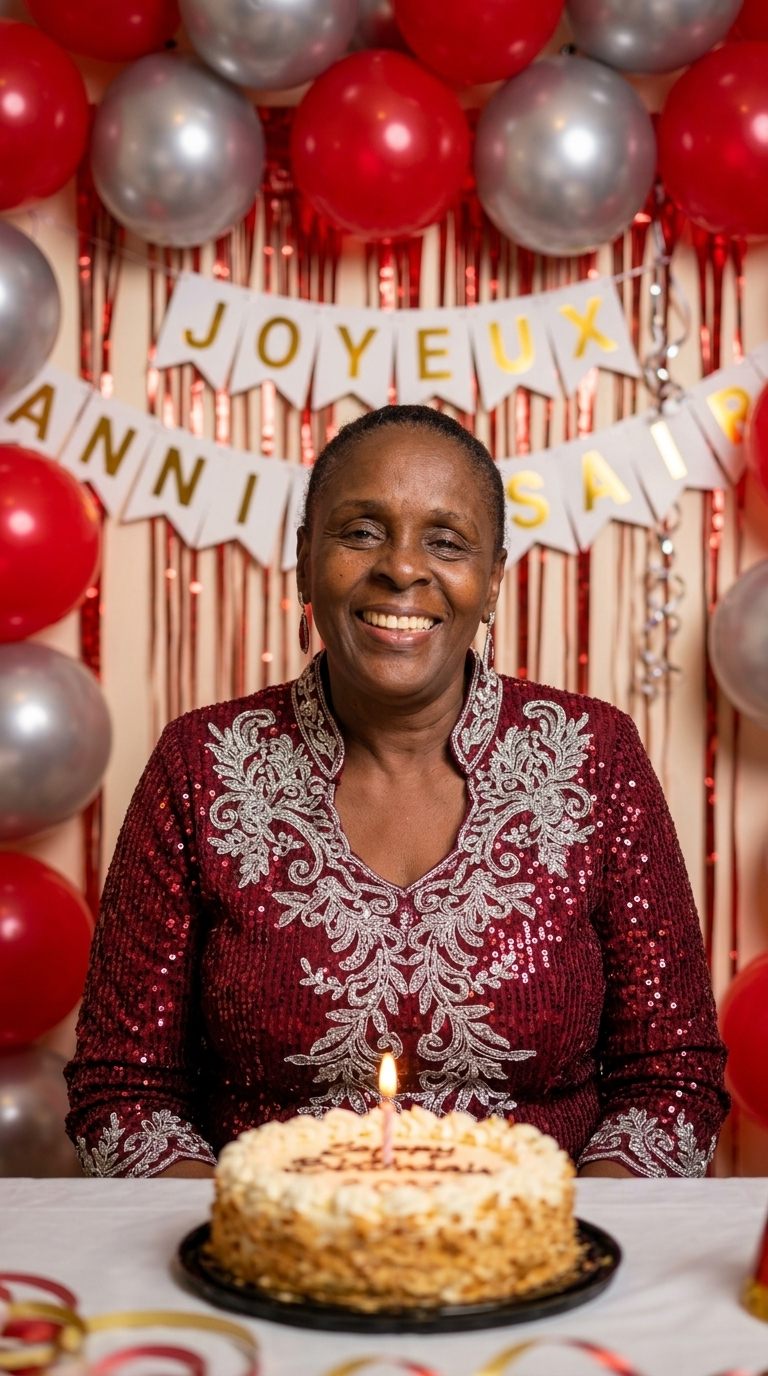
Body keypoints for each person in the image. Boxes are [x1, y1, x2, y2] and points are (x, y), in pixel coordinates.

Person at [66, 404, 728, 1180]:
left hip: (542, 1241)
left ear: (492, 581)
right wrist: (254, 1231)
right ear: (305, 558)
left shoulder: (591, 756)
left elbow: (672, 1078)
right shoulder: (203, 763)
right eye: (361, 532)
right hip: (274, 1247)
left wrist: (563, 1233)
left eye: (445, 542)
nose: (403, 568)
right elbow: (123, 1091)